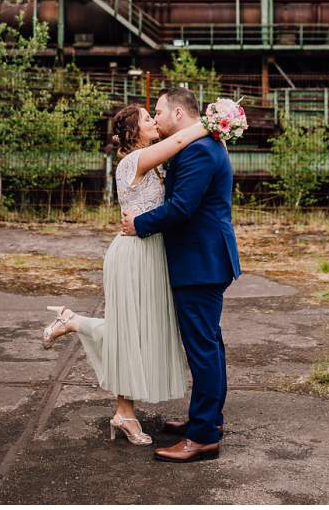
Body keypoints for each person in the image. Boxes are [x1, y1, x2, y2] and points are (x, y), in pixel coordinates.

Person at [41, 102, 207, 445]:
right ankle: (124, 414)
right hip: (132, 254)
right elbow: (177, 143)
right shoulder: (134, 160)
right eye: (149, 119)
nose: (154, 121)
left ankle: (74, 322)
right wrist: (215, 122)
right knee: (130, 333)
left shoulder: (150, 162)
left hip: (149, 252)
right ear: (134, 132)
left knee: (141, 333)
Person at [121, 86, 241, 463]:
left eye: (158, 111)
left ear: (177, 113)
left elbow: (180, 207)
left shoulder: (200, 151)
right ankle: (207, 420)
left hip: (200, 263)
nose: (155, 118)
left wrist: (138, 224)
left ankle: (203, 436)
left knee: (202, 348)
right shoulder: (197, 146)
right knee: (209, 344)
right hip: (202, 259)